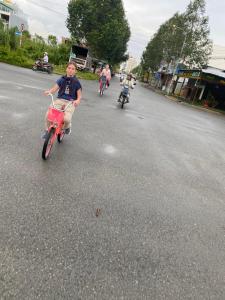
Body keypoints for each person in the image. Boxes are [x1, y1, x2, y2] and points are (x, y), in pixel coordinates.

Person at [42, 62, 82, 139]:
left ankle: (67, 127)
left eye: (73, 69)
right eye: (69, 68)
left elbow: (79, 96)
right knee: (48, 115)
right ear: (66, 69)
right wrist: (49, 92)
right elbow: (54, 89)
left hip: (70, 102)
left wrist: (77, 101)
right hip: (60, 100)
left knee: (66, 119)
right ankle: (47, 130)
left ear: (75, 71)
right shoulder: (61, 79)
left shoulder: (77, 82)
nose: (70, 70)